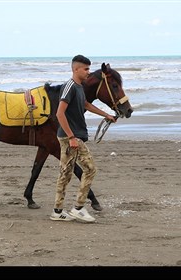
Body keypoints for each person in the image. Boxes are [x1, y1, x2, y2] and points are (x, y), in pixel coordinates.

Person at [50, 55, 116, 222]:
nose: (88, 72)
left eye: (88, 68)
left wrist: (106, 114)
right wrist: (71, 137)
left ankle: (57, 212)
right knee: (90, 169)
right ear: (76, 69)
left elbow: (86, 104)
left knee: (65, 174)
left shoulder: (79, 87)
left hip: (72, 136)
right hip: (71, 137)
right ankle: (78, 208)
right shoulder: (69, 87)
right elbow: (59, 113)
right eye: (85, 69)